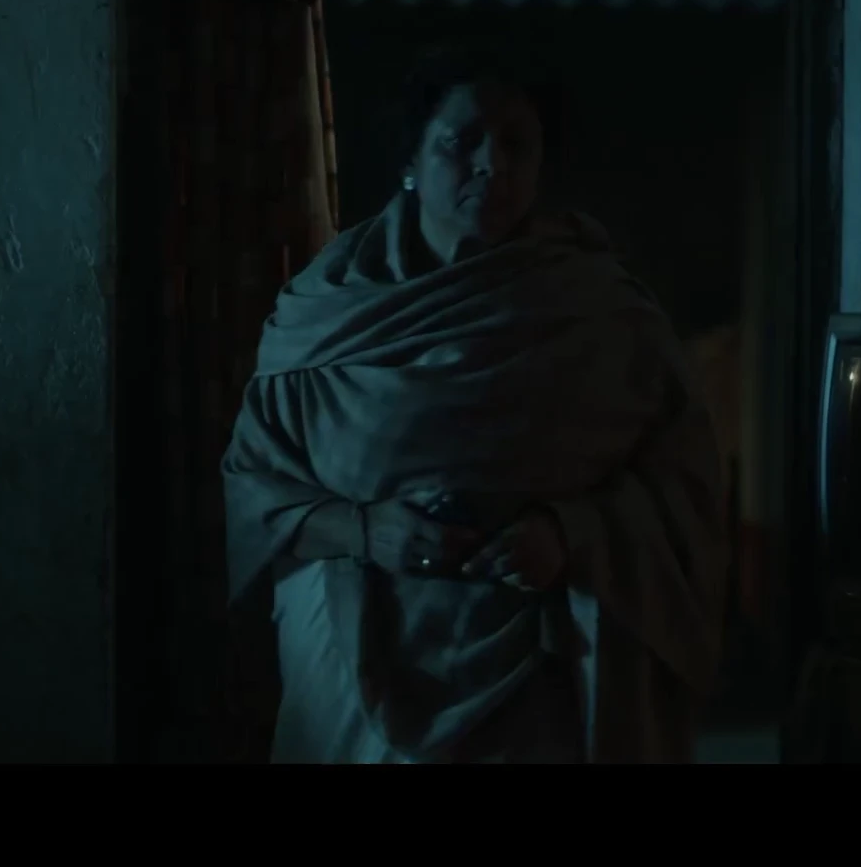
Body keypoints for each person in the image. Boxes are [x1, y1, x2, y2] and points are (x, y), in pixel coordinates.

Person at [222, 49, 729, 763]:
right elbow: (253, 490)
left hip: (542, 678)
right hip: (358, 668)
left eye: (518, 145)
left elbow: (684, 482)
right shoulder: (327, 316)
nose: (493, 164)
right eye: (462, 142)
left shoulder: (602, 313)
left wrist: (570, 533)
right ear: (412, 159)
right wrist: (363, 530)